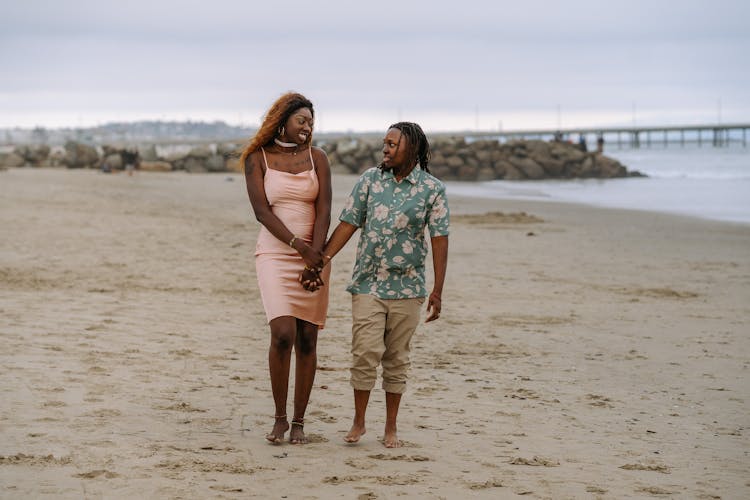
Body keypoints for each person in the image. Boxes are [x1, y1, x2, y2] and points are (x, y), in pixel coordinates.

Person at [305, 122, 449, 448]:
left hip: (408, 288)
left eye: (392, 144)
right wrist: (319, 262)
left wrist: (438, 290)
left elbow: (440, 239)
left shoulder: (432, 190)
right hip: (368, 283)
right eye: (384, 143)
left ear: (411, 149)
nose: (385, 149)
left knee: (397, 358)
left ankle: (391, 428)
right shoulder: (370, 180)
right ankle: (358, 422)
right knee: (364, 353)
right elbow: (348, 224)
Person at [240, 92, 332, 445]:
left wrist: (316, 257)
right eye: (301, 121)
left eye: (311, 122)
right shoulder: (257, 159)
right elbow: (262, 213)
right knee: (282, 333)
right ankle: (279, 418)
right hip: (276, 255)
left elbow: (324, 210)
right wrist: (299, 248)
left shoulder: (318, 158)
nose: (308, 127)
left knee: (308, 340)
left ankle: (299, 423)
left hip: (315, 256)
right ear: (283, 121)